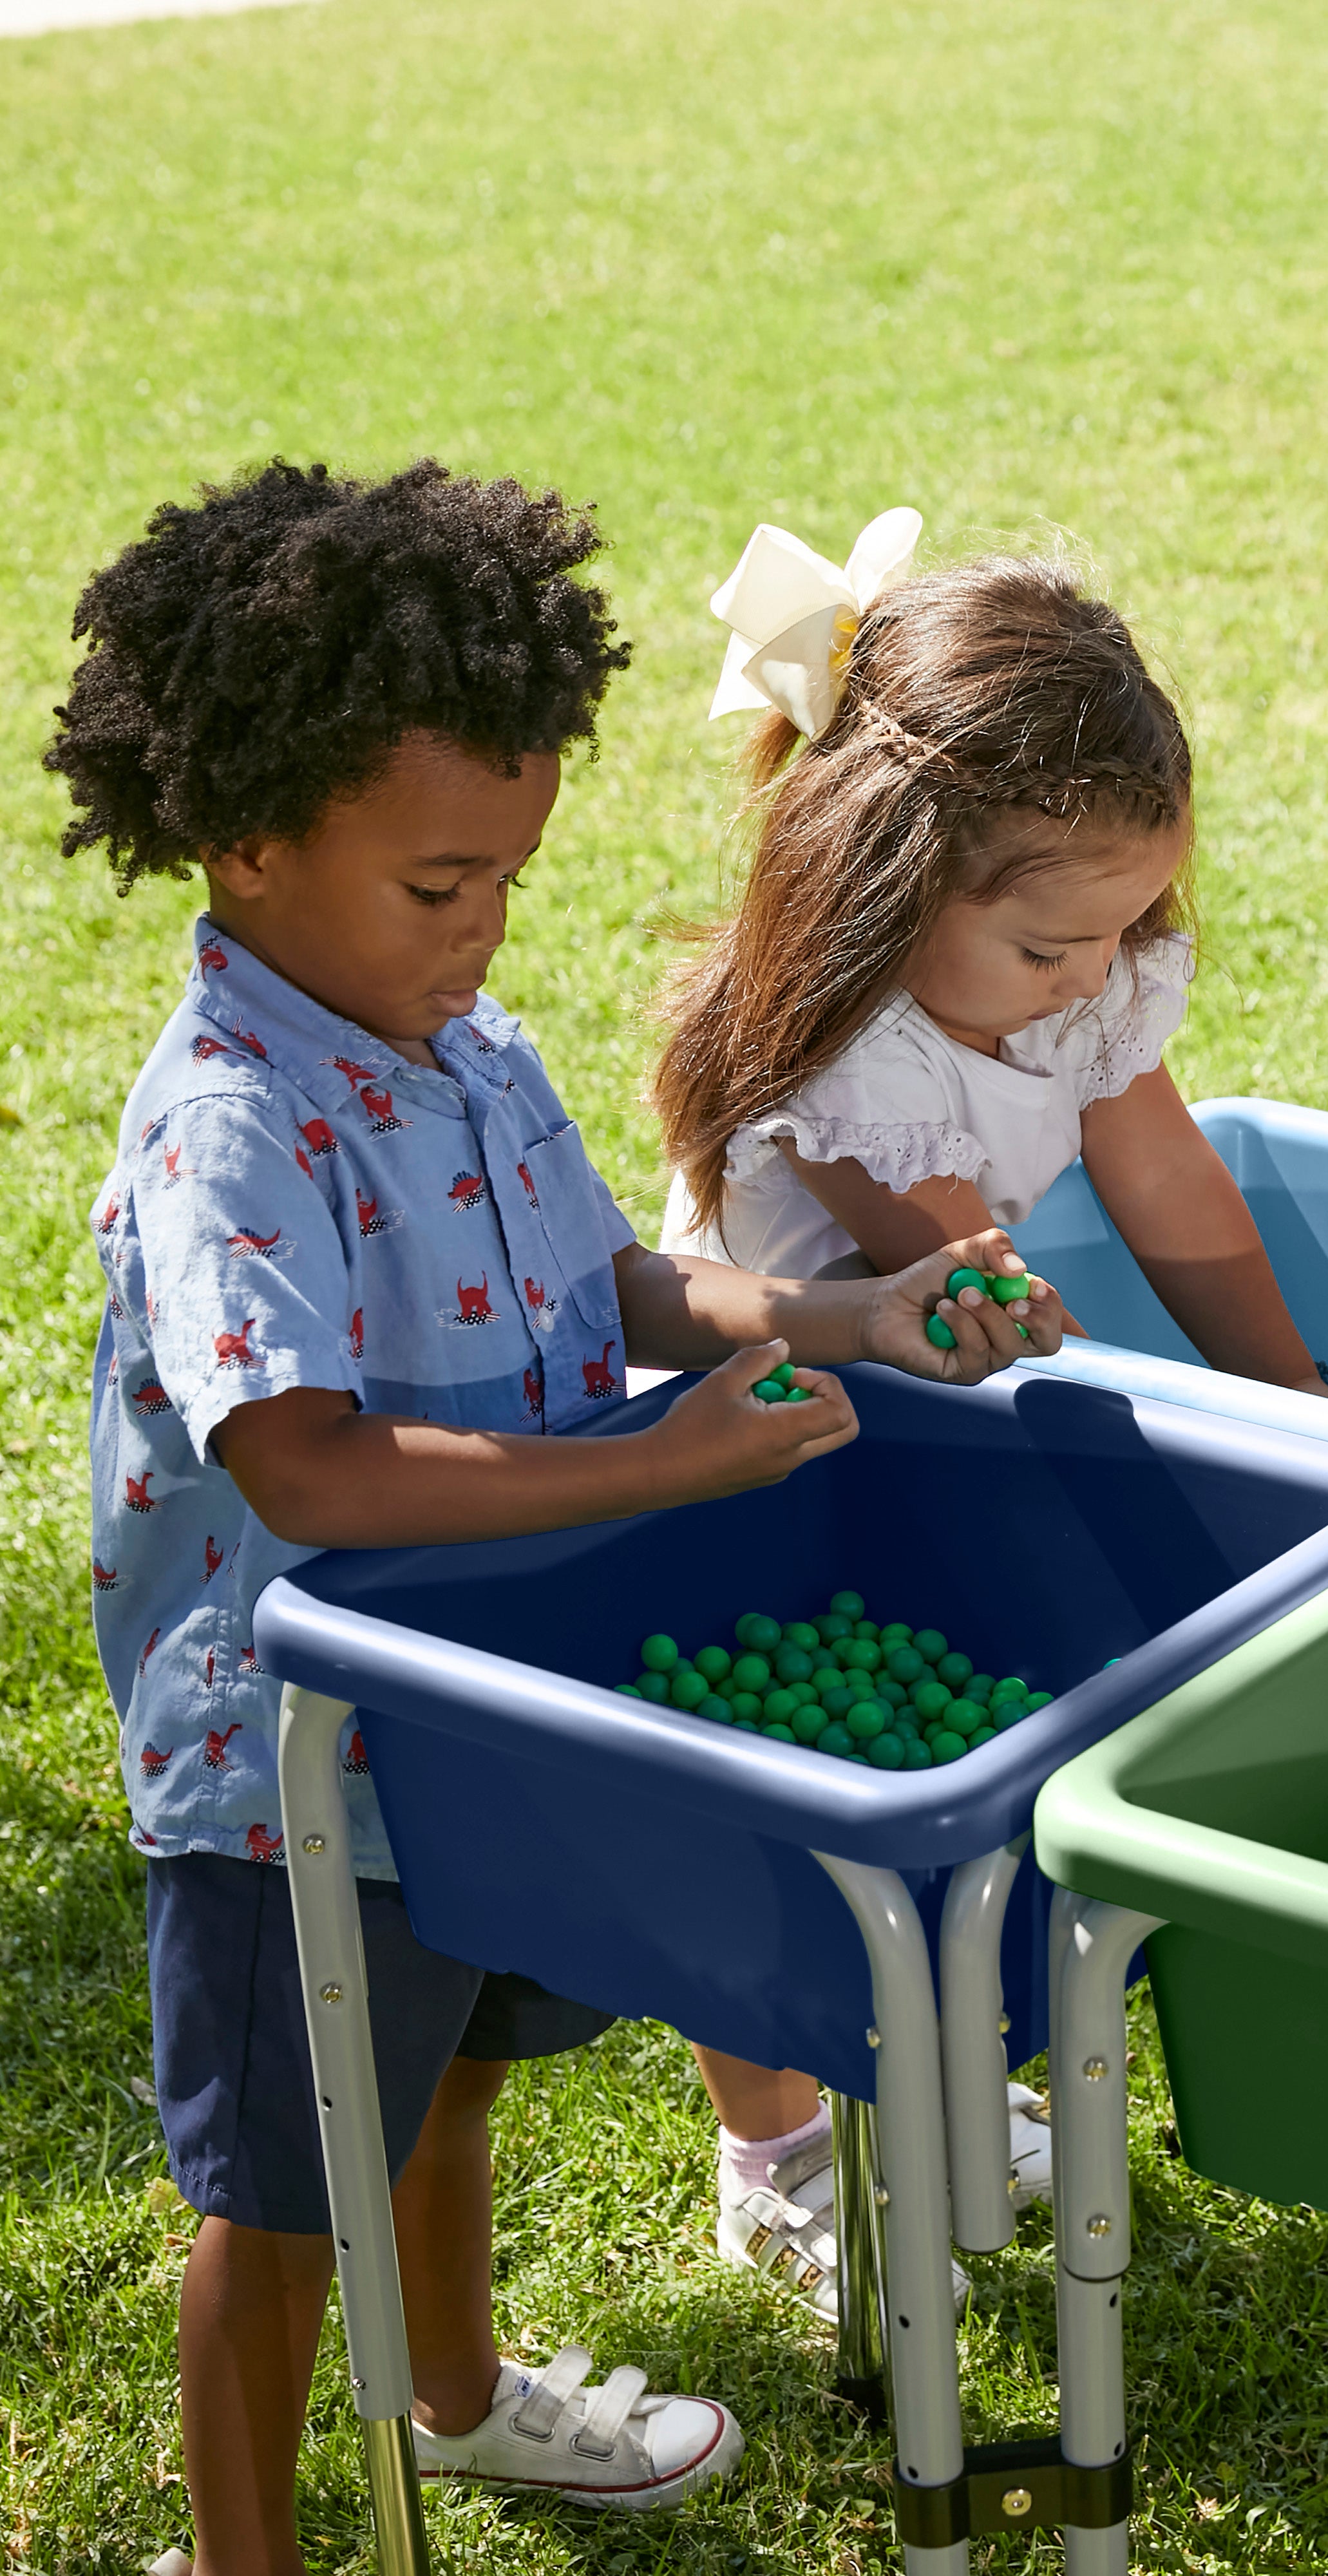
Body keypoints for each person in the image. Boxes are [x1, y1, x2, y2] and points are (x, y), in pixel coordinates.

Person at [53, 460, 1060, 2575]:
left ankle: (455, 2398)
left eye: (505, 876)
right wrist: (649, 1465)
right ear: (245, 848)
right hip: (286, 1770)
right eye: (440, 885)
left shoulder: (463, 1039)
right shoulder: (231, 1123)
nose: (486, 926)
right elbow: (304, 1465)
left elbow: (612, 1285)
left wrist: (845, 1311)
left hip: (466, 1721)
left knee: (451, 2081)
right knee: (280, 2197)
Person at [650, 517, 1328, 2318]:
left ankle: (938, 2076)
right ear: (893, 883)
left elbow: (1175, 1188)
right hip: (788, 1432)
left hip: (951, 1419)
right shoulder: (838, 1057)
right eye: (1058, 941)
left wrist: (1293, 1391)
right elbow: (953, 1275)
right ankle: (779, 2149)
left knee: (953, 1755)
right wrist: (1155, 1423)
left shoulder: (1074, 981)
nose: (1096, 977)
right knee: (782, 1811)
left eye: (1126, 933)